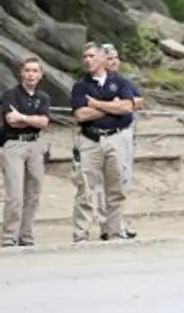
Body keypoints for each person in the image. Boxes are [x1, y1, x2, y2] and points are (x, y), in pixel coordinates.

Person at [70, 42, 136, 242]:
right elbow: (81, 114)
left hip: (116, 138)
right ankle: (81, 234)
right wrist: (111, 106)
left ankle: (115, 231)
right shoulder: (80, 86)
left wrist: (97, 104)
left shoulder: (120, 82)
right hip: (91, 140)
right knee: (86, 189)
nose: (88, 60)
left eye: (92, 56)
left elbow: (127, 107)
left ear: (102, 58)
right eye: (85, 57)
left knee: (116, 187)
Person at [0, 57, 51, 247]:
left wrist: (23, 117)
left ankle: (26, 234)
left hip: (35, 143)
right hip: (14, 143)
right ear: (22, 72)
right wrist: (32, 119)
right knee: (15, 193)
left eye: (35, 71)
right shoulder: (10, 94)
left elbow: (44, 122)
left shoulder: (43, 98)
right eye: (28, 70)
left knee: (34, 192)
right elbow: (11, 120)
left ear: (40, 75)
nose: (31, 74)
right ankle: (9, 235)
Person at [95, 43, 142, 240]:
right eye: (109, 58)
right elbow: (88, 107)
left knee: (123, 179)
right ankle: (105, 224)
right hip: (101, 134)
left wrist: (122, 105)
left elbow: (136, 101)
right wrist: (112, 106)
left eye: (115, 58)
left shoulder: (123, 82)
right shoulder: (95, 82)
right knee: (102, 182)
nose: (113, 62)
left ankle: (119, 221)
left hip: (123, 132)